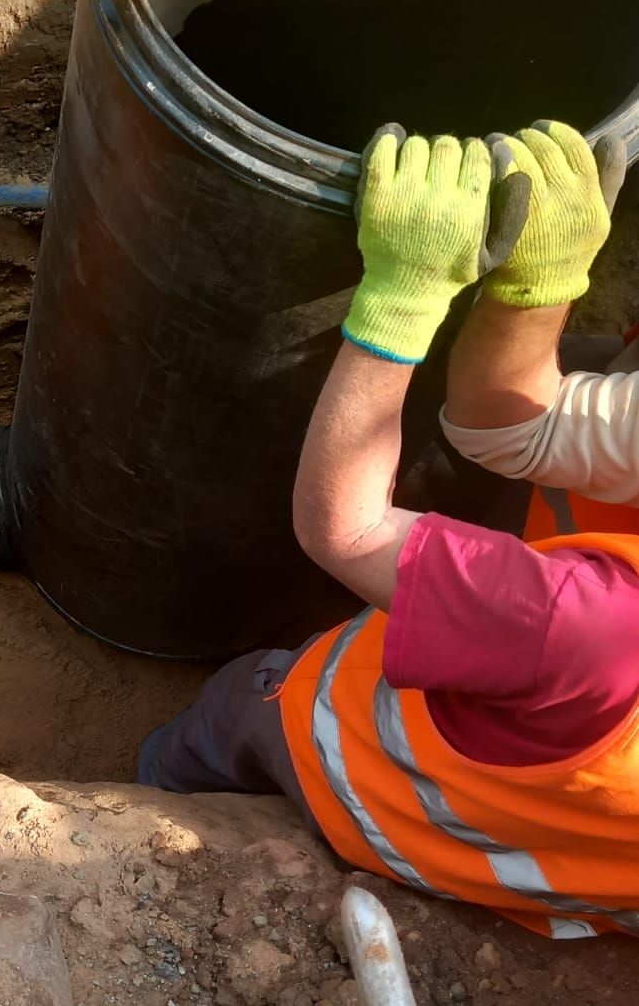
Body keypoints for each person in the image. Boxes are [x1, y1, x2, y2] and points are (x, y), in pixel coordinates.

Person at [137, 120, 639, 938]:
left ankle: (144, 808)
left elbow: (344, 529)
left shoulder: (584, 630)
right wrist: (542, 284)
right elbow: (512, 430)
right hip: (579, 856)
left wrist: (402, 301)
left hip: (375, 785)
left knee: (240, 706)